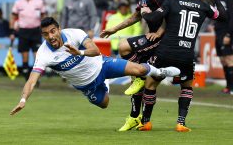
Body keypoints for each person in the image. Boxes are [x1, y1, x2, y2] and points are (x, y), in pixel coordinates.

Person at [10, 17, 180, 115]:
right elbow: (32, 81)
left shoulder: (74, 34)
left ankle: (161, 71)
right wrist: (23, 100)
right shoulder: (43, 54)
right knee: (105, 104)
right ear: (43, 36)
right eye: (46, 34)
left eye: (53, 31)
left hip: (102, 64)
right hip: (86, 85)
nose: (51, 36)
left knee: (140, 69)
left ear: (59, 28)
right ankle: (104, 85)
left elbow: (95, 50)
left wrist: (80, 53)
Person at [136, 0, 227, 132]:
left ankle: (146, 122)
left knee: (150, 84)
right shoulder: (203, 6)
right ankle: (181, 123)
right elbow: (223, 16)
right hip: (186, 55)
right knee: (186, 86)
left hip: (165, 52)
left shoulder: (171, 2)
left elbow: (154, 17)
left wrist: (144, 12)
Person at [100, 0, 168, 131]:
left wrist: (160, 31)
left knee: (124, 47)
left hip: (164, 40)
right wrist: (113, 29)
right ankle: (134, 117)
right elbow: (135, 17)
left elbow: (170, 10)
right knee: (136, 74)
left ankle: (144, 115)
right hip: (153, 39)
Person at [10, 0, 46, 81]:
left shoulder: (39, 2)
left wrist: (45, 30)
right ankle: (27, 78)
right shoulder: (18, 3)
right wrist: (12, 32)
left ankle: (35, 78)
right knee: (25, 57)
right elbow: (13, 17)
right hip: (23, 32)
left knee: (37, 57)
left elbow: (44, 17)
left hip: (36, 31)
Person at [215, 0, 233, 95]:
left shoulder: (231, 0)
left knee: (230, 60)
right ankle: (228, 86)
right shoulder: (216, 0)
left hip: (227, 34)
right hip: (218, 34)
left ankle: (232, 88)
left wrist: (229, 34)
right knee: (223, 60)